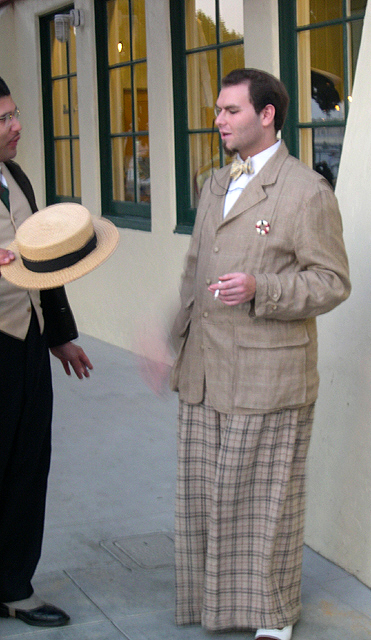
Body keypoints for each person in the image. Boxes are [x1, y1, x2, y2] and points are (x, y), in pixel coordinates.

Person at [169, 68, 351, 640]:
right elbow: (194, 270)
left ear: (267, 115)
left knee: (267, 502)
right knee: (207, 497)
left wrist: (261, 288)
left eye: (232, 111)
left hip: (269, 373)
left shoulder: (307, 191)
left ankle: (273, 615)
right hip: (206, 370)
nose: (219, 120)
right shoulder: (214, 184)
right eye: (218, 110)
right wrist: (174, 344)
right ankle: (217, 605)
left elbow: (333, 281)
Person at [0, 77, 92, 628]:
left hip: (27, 340)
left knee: (28, 463)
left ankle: (14, 585)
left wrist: (58, 335)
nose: (16, 126)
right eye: (3, 119)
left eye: (14, 114)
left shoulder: (17, 177)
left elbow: (43, 263)